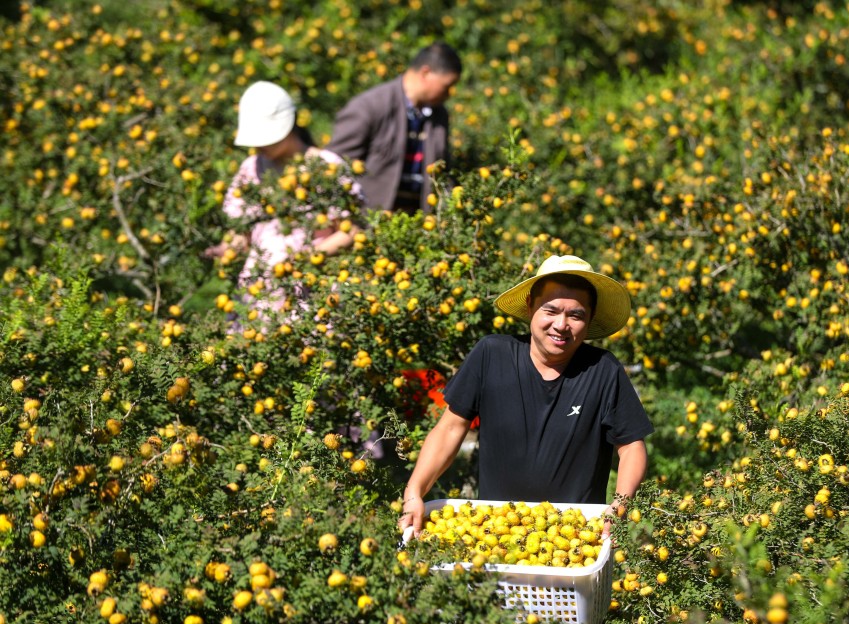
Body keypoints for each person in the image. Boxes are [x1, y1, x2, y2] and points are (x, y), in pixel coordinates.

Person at [398, 255, 653, 537]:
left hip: (575, 540)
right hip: (492, 533)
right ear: (531, 305)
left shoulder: (603, 370)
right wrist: (414, 490)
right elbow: (450, 429)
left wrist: (619, 506)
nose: (561, 324)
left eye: (576, 315)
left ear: (590, 319)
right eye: (551, 310)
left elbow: (631, 447)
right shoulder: (491, 354)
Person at [207, 81, 363, 314]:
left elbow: (351, 231)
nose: (260, 145)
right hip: (259, 296)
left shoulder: (326, 168)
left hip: (313, 295)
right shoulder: (251, 169)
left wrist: (305, 259)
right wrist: (226, 249)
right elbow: (244, 233)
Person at [325, 42, 461, 214]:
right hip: (367, 225)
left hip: (418, 226)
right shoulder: (370, 106)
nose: (449, 94)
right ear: (426, 73)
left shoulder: (439, 115)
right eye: (447, 86)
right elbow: (334, 163)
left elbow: (443, 171)